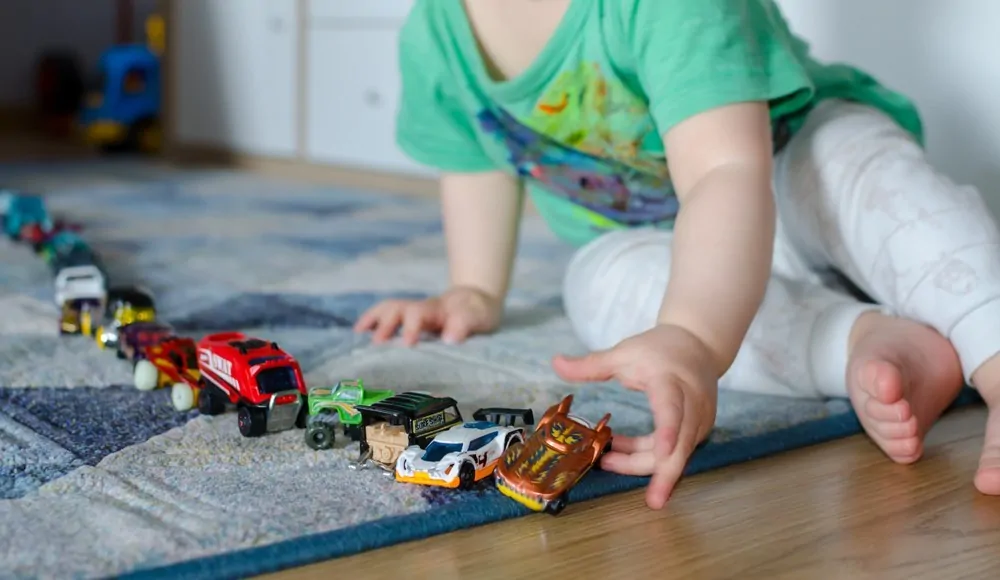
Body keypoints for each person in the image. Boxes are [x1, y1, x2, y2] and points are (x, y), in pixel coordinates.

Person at [353, 0, 1000, 508]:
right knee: (600, 286)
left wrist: (694, 335)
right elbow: (477, 156)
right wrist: (475, 288)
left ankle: (992, 343)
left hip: (784, 173)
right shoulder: (436, 31)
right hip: (670, 242)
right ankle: (864, 340)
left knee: (858, 171)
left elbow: (725, 170)